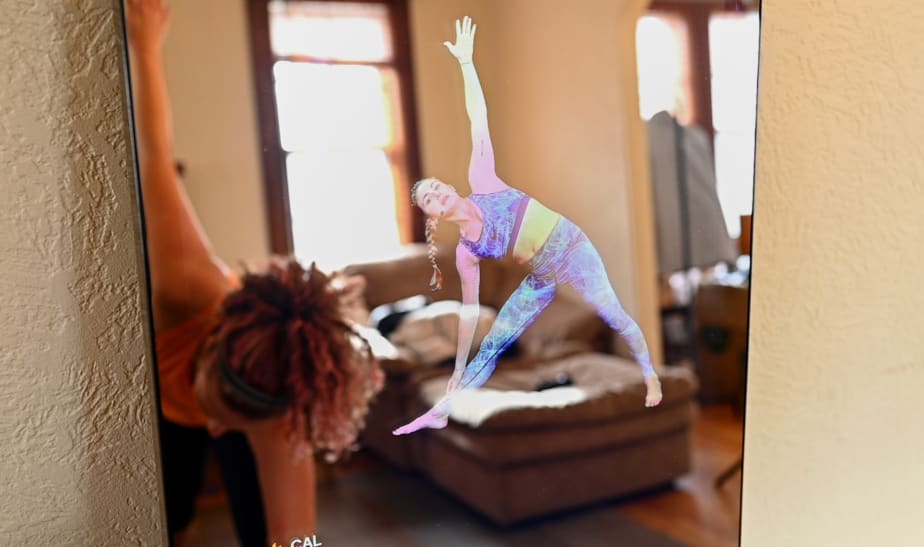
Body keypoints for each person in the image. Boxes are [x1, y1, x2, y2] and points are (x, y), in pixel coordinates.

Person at [125, 1, 384, 545]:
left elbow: (298, 540)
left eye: (228, 422)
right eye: (220, 411)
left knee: (260, 531)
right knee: (167, 517)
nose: (216, 427)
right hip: (164, 397)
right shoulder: (187, 286)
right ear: (215, 343)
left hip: (238, 403)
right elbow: (154, 157)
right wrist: (145, 49)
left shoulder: (278, 410)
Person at [393, 17, 663, 436]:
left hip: (573, 246)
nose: (438, 195)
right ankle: (441, 408)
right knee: (497, 337)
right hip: (543, 274)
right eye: (429, 199)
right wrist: (460, 366)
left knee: (614, 313)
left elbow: (476, 118)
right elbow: (468, 312)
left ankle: (649, 374)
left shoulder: (483, 181)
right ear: (434, 214)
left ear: (449, 186)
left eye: (437, 187)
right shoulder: (467, 251)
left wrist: (466, 64)